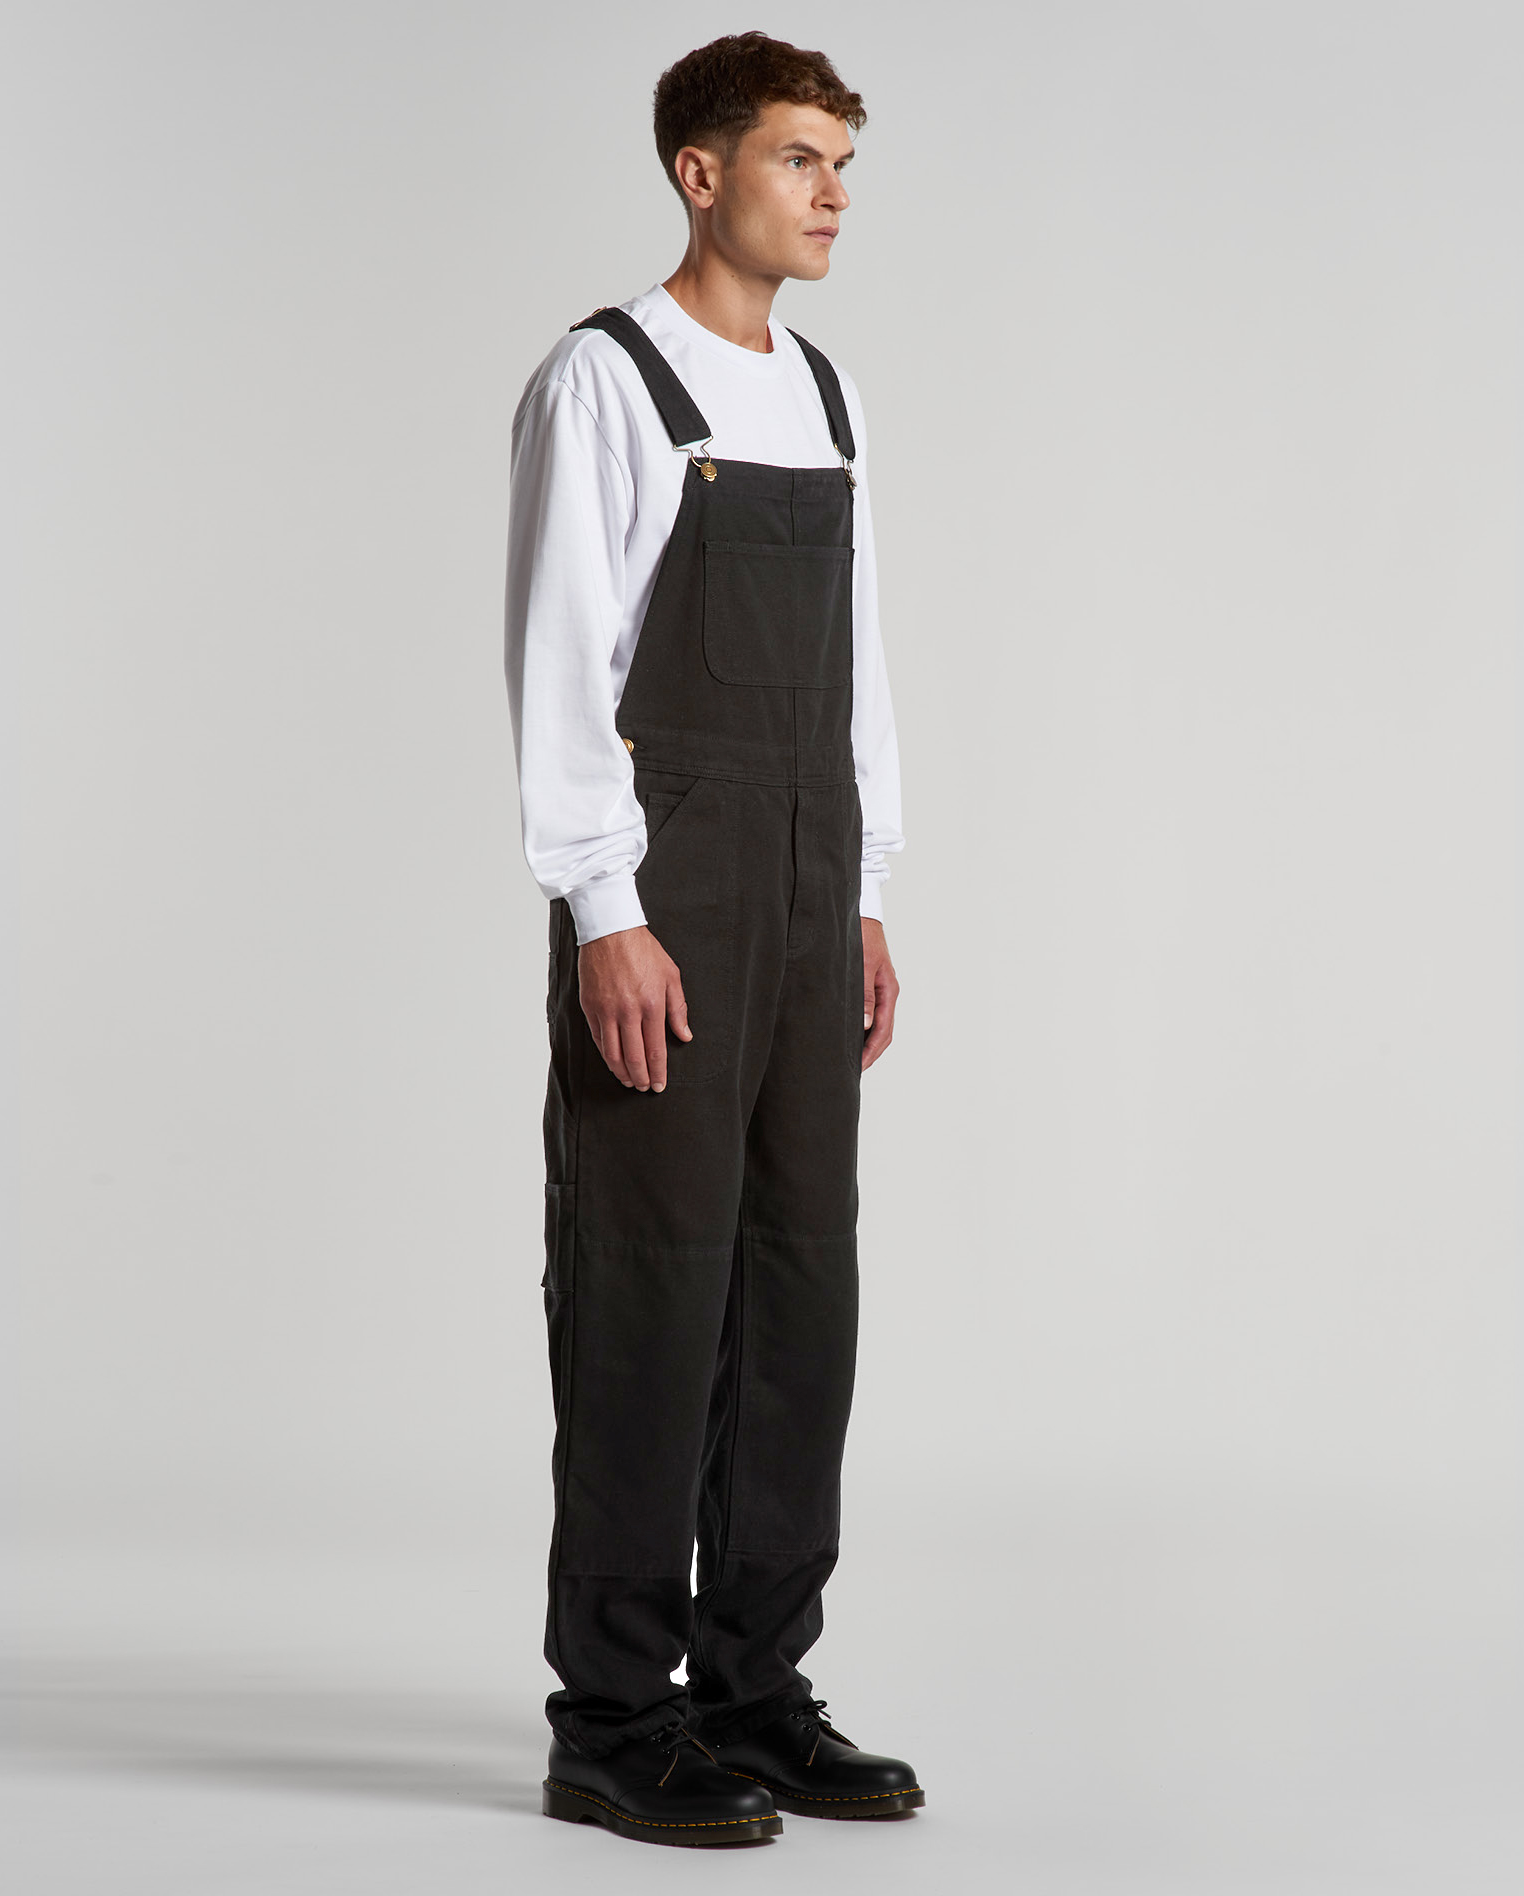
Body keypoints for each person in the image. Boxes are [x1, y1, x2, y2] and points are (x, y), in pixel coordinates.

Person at [503, 32, 917, 1848]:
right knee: (650, 1279)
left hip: (812, 885)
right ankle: (613, 1717)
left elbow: (861, 666)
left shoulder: (822, 392)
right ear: (700, 171)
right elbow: (561, 663)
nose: (832, 195)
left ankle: (755, 1687)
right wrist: (606, 907)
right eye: (799, 159)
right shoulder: (605, 382)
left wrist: (868, 888)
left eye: (843, 164)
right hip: (671, 885)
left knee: (800, 1284)